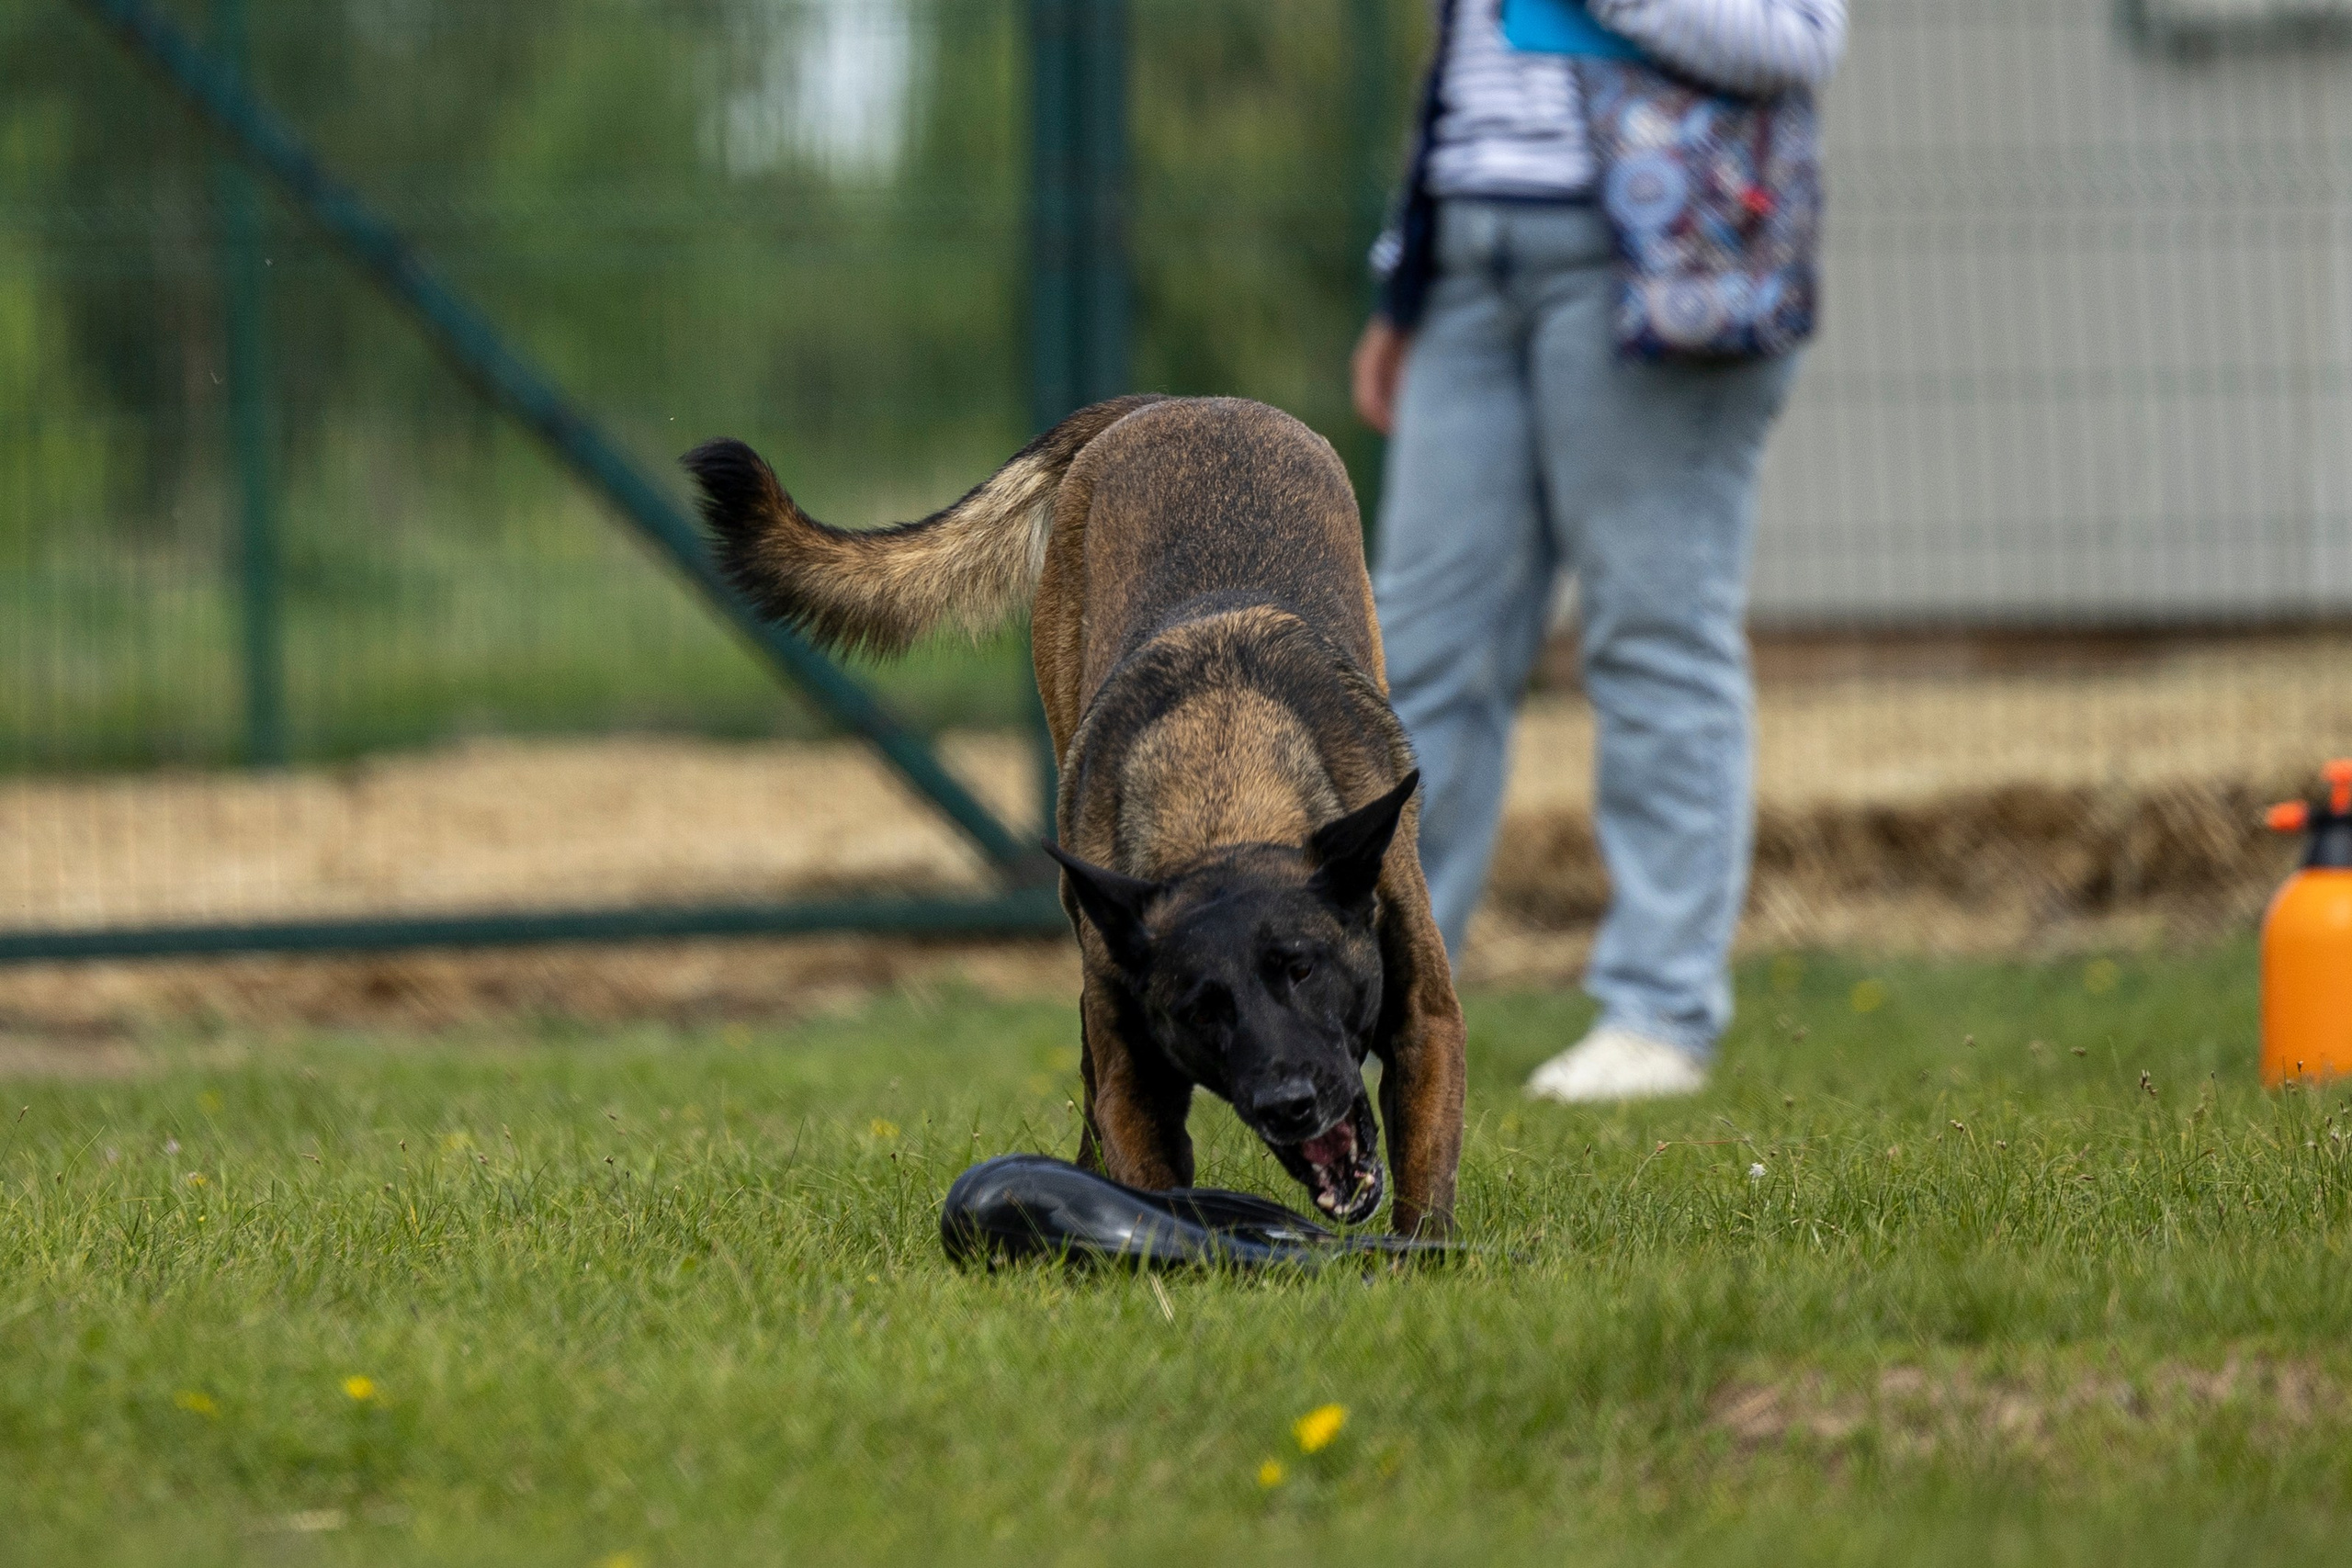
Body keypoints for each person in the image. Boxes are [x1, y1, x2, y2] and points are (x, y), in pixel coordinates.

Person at [1352, 0, 1848, 1101]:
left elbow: (1803, 36)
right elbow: (1470, 61)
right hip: (1470, 257)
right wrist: (1407, 276)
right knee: (1421, 660)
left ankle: (1658, 1014)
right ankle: (1386, 1004)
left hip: (1659, 255)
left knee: (1652, 634)